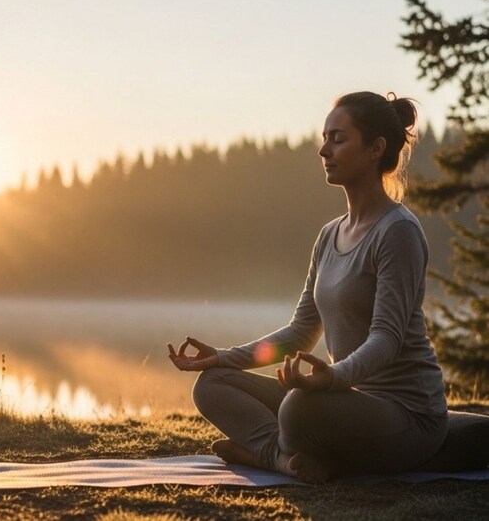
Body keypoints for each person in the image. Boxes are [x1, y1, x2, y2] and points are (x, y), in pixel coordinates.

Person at [167, 91, 449, 483]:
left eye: (338, 138)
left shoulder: (397, 232)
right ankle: (279, 458)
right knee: (213, 385)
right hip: (346, 399)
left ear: (375, 149)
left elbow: (387, 338)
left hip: (406, 414)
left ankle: (264, 452)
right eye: (324, 138)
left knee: (299, 409)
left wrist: (332, 378)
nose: (323, 150)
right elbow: (300, 332)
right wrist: (222, 357)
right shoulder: (329, 235)